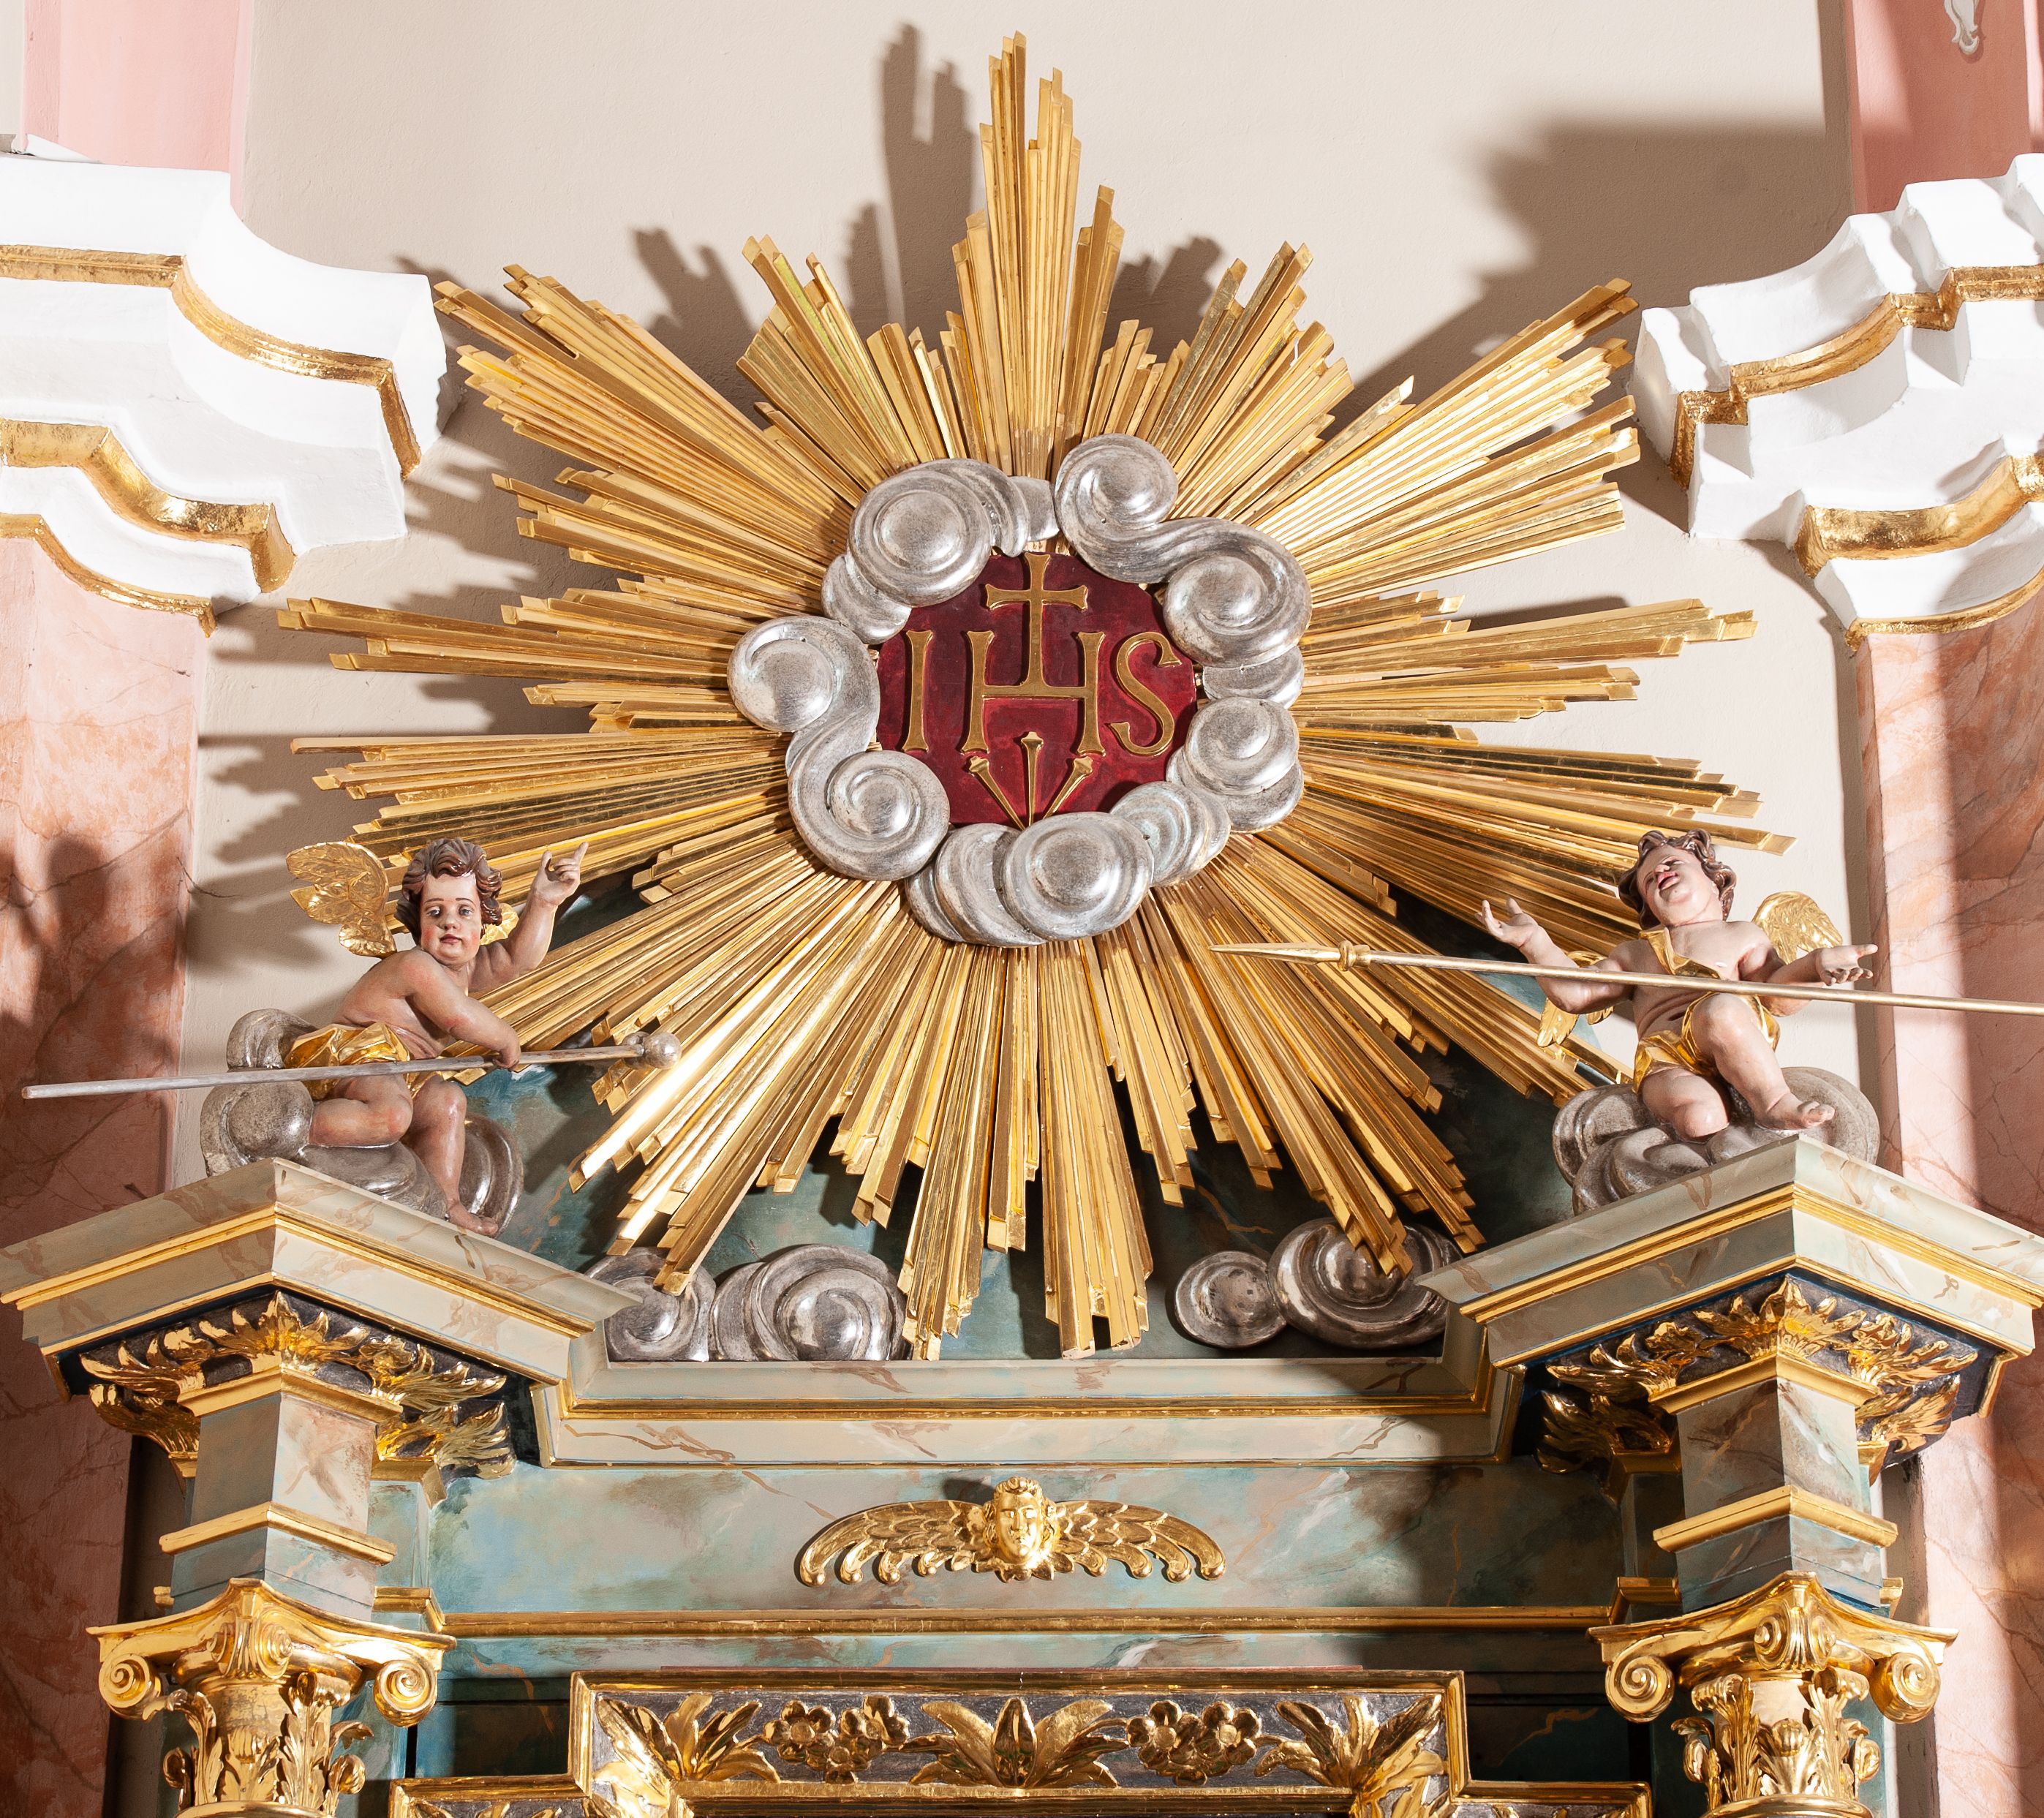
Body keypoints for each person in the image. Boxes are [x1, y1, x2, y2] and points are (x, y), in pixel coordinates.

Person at [1479, 830, 1875, 1139]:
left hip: (1724, 1028)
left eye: (1671, 864)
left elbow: (1776, 996)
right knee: (1699, 1118)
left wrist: (1814, 966)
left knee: (1720, 1009)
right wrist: (1535, 942)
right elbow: (1575, 995)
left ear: (1714, 881)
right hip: (1665, 1059)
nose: (1661, 875)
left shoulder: (1741, 935)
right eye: (1650, 880)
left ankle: (1774, 1104)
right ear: (1649, 907)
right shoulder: (1636, 953)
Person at [288, 837, 587, 1227]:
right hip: (362, 1057)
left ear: (484, 923)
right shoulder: (415, 966)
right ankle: (294, 1129)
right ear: (418, 925)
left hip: (405, 1072)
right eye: (435, 912)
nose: (450, 922)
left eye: (465, 911)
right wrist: (505, 1038)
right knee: (391, 1115)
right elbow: (457, 1017)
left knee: (447, 1102)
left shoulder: (465, 969)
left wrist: (544, 902)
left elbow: (517, 959)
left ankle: (446, 1204)